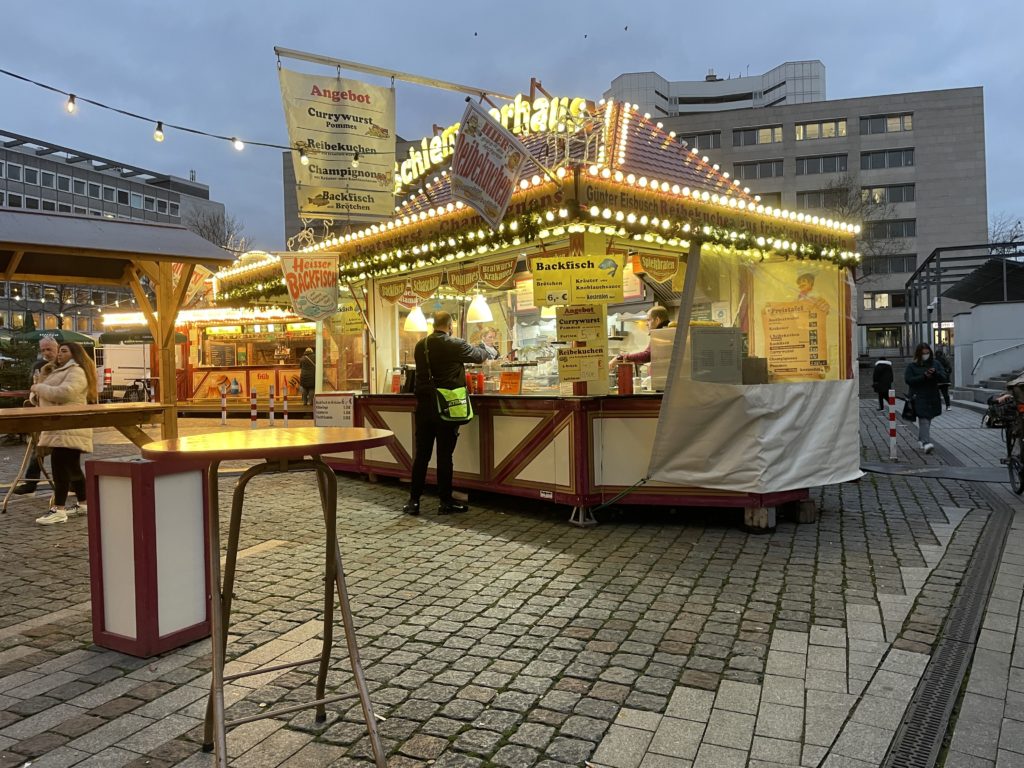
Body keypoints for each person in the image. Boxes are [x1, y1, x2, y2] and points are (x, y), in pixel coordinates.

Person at [404, 311, 487, 516]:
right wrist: (484, 346)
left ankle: (414, 502)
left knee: (422, 455)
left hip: (424, 406)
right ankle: (445, 502)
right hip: (447, 406)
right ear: (450, 325)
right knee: (444, 455)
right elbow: (479, 357)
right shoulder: (454, 344)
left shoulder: (420, 345)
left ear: (434, 325)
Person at [30, 342, 97, 525]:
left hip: (68, 426)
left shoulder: (76, 371)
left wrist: (39, 388)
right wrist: (42, 379)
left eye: (64, 351)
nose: (59, 354)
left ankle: (58, 509)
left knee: (60, 467)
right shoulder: (59, 371)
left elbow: (64, 393)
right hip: (60, 426)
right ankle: (84, 503)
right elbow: (37, 397)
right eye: (59, 351)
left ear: (75, 354)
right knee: (71, 467)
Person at [12, 337, 59, 495]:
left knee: (61, 450)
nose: (46, 353)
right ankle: (31, 482)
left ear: (56, 348)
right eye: (43, 350)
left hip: (58, 412)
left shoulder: (63, 366)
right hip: (41, 410)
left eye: (49, 349)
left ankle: (70, 482)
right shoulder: (38, 366)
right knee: (37, 448)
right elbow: (32, 387)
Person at [905, 342, 948, 455]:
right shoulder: (912, 366)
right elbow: (909, 380)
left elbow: (944, 377)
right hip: (918, 396)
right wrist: (923, 376)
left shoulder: (936, 363)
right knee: (924, 419)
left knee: (928, 419)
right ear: (919, 354)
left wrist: (935, 374)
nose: (926, 355)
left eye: (927, 353)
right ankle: (925, 443)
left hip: (933, 396)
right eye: (923, 353)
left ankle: (921, 439)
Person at [608, 306, 670, 370]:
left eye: (648, 320)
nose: (647, 324)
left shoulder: (660, 334)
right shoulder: (667, 331)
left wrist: (622, 357)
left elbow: (647, 356)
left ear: (657, 320)